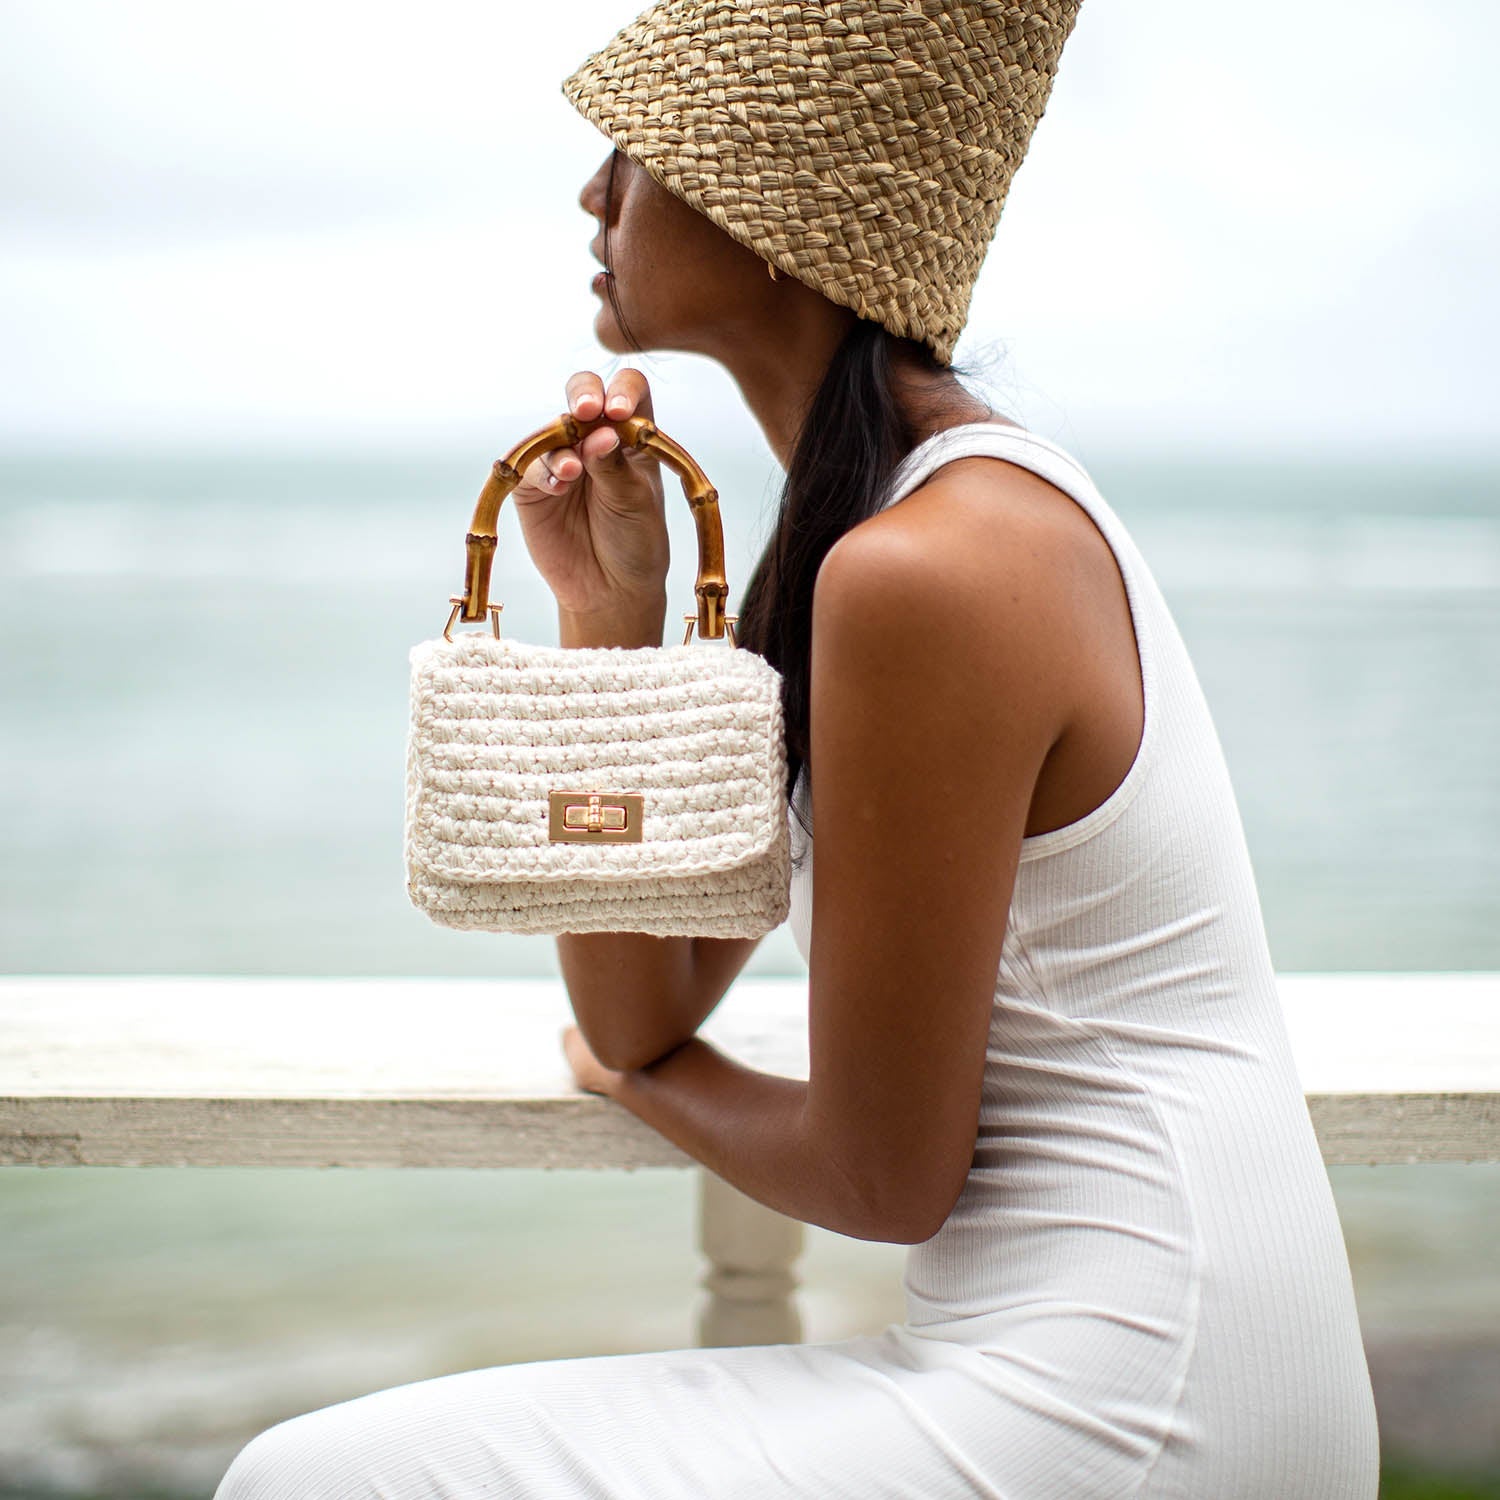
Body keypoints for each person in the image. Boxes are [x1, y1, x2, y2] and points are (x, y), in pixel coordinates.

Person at [215, 2, 1382, 1495]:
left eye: (630, 152)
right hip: (1146, 1354)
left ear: (772, 218)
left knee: (313, 1479)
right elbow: (647, 1001)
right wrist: (610, 629)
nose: (594, 195)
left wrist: (639, 1088)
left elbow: (875, 1175)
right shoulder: (877, 529)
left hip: (1145, 1393)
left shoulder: (928, 568)